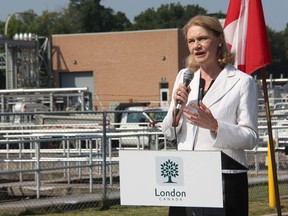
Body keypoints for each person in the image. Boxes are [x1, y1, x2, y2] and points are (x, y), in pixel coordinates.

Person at [162, 15, 258, 216]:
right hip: (186, 178)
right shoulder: (184, 77)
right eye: (191, 41)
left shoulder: (242, 82)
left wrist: (215, 126)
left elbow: (250, 137)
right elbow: (169, 133)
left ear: (219, 40)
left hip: (225, 179)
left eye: (202, 38)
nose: (196, 45)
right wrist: (176, 113)